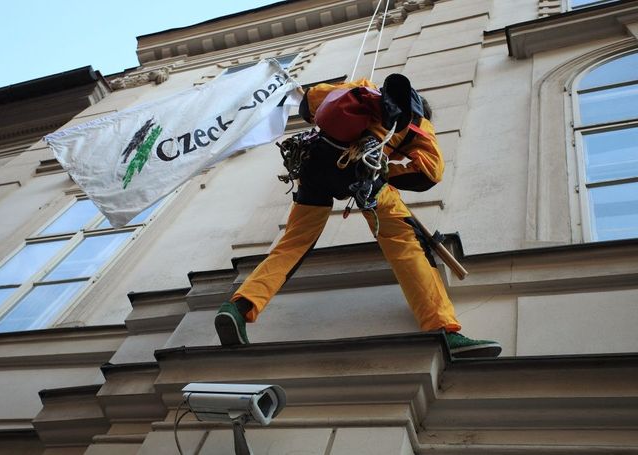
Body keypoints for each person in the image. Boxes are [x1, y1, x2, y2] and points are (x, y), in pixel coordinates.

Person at [214, 74, 501, 358]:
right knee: (405, 244)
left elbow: (311, 102)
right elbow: (430, 173)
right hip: (363, 172)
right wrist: (386, 170)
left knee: (293, 244)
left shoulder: (363, 88)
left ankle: (238, 308)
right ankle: (444, 330)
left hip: (314, 164)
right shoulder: (418, 124)